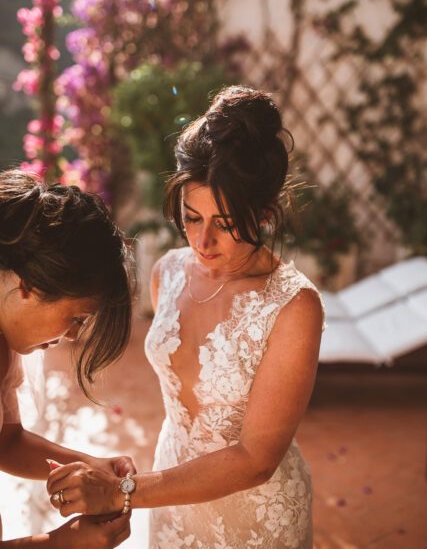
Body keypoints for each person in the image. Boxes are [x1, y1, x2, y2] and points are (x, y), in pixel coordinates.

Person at [47, 86, 325, 548]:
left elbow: (256, 458)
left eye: (226, 222)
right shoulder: (168, 273)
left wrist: (123, 493)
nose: (203, 240)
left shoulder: (294, 307)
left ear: (264, 214)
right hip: (174, 496)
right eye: (192, 217)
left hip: (256, 519)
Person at [0, 170, 133, 548]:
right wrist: (62, 543)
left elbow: (5, 441)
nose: (73, 335)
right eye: (77, 318)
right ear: (29, 286)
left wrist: (91, 464)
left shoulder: (5, 341)